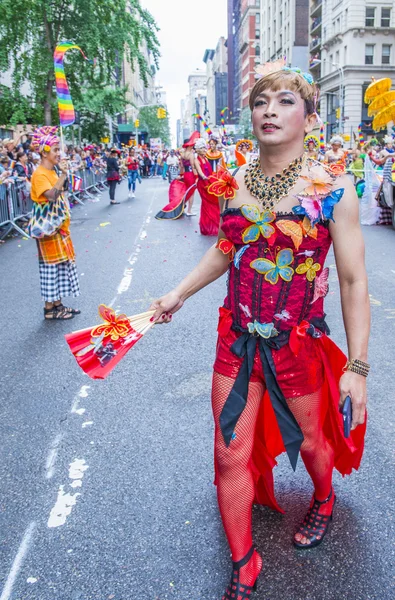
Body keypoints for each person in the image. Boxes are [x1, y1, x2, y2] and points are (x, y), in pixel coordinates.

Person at [149, 64, 369, 597]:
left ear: (310, 118)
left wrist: (358, 368)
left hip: (298, 342)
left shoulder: (335, 188)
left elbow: (353, 279)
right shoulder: (236, 182)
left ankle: (322, 498)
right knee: (228, 452)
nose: (269, 110)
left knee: (315, 441)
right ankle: (244, 560)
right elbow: (228, 248)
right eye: (261, 101)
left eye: (285, 101)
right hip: (236, 337)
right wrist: (179, 292)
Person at [30, 126, 80, 320]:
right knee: (50, 268)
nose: (60, 153)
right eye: (56, 150)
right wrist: (64, 175)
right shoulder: (40, 174)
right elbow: (51, 196)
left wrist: (63, 174)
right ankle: (49, 310)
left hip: (59, 228)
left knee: (60, 266)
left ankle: (57, 305)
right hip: (48, 230)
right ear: (44, 152)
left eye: (60, 149)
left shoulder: (52, 171)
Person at [194, 138, 220, 236]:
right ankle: (206, 227)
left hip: (209, 183)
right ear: (198, 150)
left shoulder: (205, 158)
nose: (205, 150)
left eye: (205, 148)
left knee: (214, 203)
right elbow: (200, 171)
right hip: (203, 184)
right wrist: (205, 177)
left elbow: (210, 170)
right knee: (206, 204)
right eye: (203, 148)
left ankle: (213, 225)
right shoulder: (197, 160)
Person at [180, 131, 200, 216]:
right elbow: (193, 166)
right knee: (191, 193)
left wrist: (181, 175)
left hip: (185, 174)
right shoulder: (191, 155)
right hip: (191, 174)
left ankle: (183, 209)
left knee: (186, 192)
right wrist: (196, 177)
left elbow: (181, 166)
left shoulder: (182, 154)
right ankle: (189, 210)